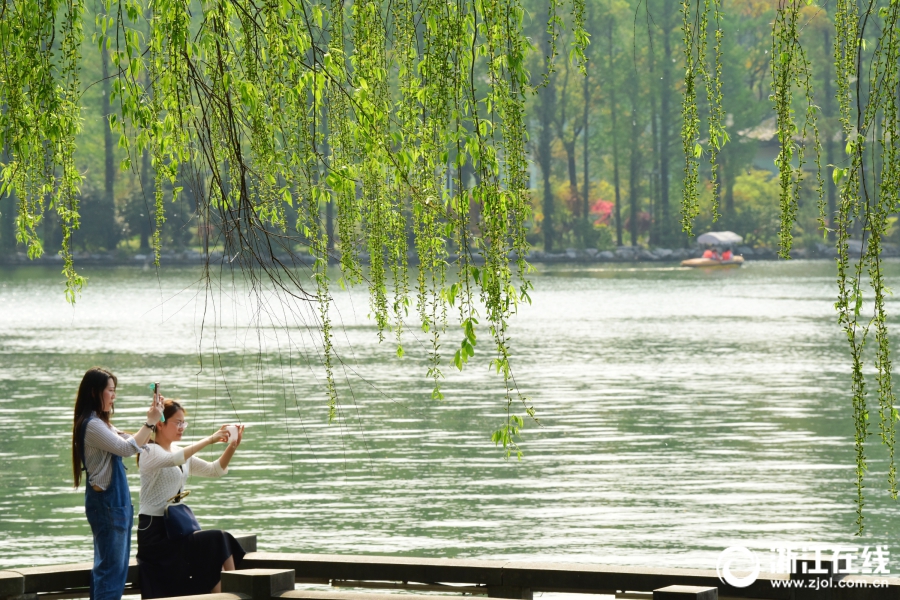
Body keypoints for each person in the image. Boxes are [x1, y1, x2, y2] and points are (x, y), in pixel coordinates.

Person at [136, 400, 246, 599]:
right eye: (177, 423)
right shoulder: (148, 451)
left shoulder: (178, 451)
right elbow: (174, 459)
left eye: (183, 423)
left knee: (220, 540)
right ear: (160, 423)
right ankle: (232, 594)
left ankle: (232, 591)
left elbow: (215, 470)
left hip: (176, 531)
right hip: (156, 536)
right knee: (217, 538)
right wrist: (210, 439)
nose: (182, 428)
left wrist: (232, 446)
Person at [72, 367, 163, 600]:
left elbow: (128, 441)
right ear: (94, 392)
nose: (114, 396)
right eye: (110, 391)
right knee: (110, 574)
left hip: (114, 508)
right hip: (108, 508)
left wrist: (154, 425)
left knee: (112, 572)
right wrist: (150, 423)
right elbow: (125, 449)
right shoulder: (92, 425)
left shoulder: (101, 424)